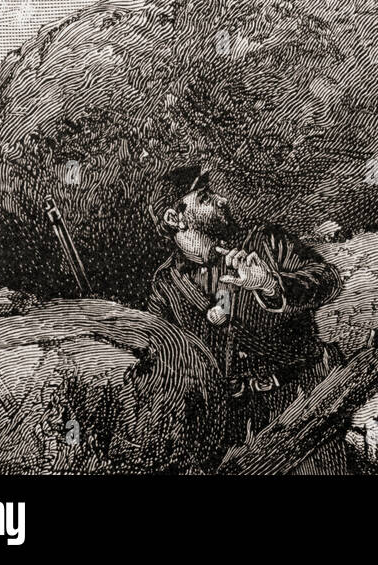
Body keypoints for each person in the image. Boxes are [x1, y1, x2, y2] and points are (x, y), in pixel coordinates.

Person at [147, 165, 345, 471]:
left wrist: (270, 284)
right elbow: (161, 360)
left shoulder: (265, 241)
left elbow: (327, 279)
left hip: (300, 401)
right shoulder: (166, 285)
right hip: (233, 427)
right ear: (175, 218)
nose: (222, 200)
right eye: (205, 196)